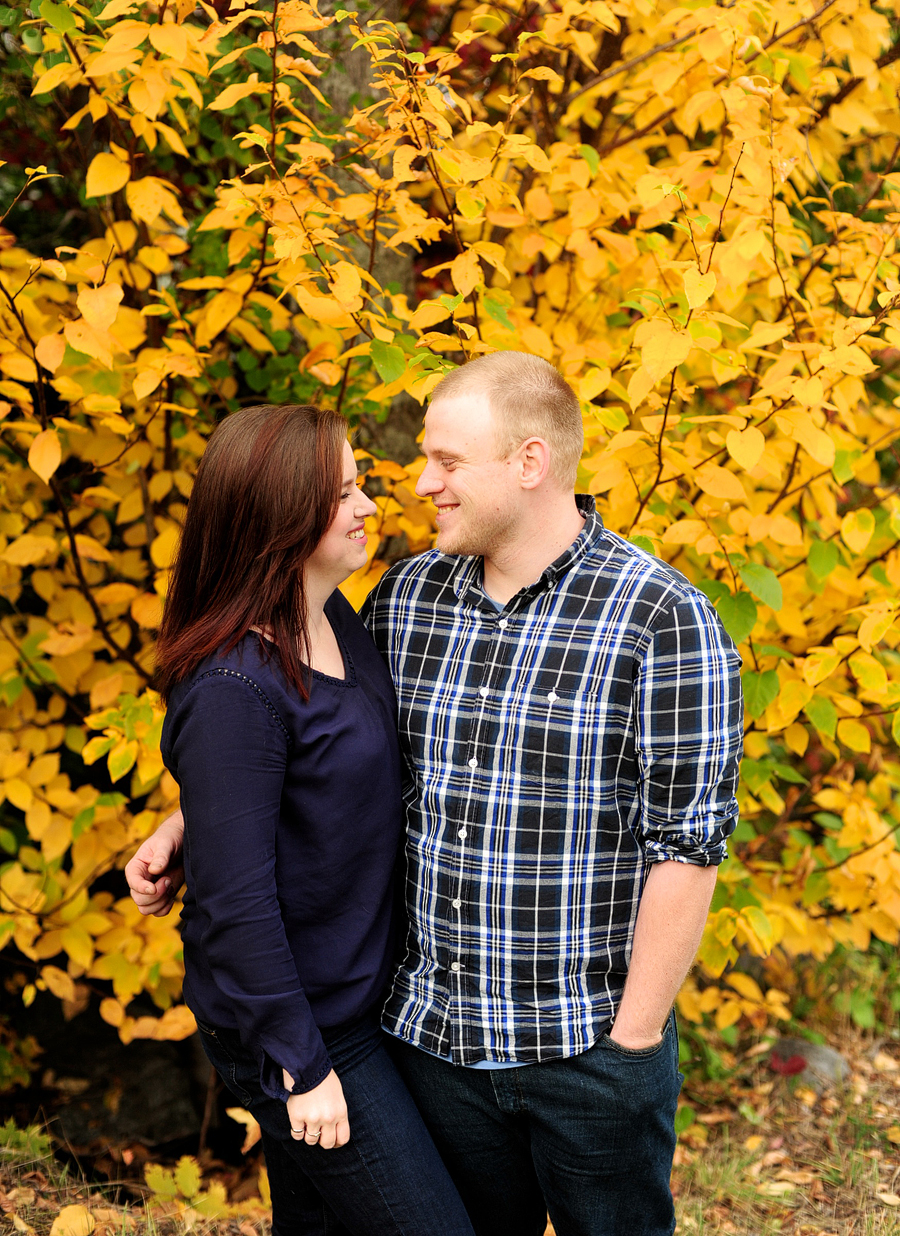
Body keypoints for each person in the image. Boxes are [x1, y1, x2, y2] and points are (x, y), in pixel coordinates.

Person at [128, 355, 743, 1236]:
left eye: (447, 463)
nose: (421, 486)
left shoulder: (661, 620)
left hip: (584, 1047)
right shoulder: (408, 600)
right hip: (427, 1037)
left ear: (528, 464)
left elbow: (688, 844)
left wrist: (632, 1041)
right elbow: (309, 747)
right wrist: (195, 822)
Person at [149, 402, 475, 1236]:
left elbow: (319, 785)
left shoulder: (329, 618)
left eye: (360, 484)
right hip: (299, 1022)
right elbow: (235, 905)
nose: (369, 506)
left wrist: (194, 826)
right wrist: (302, 1066)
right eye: (344, 493)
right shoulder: (236, 687)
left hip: (361, 997)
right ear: (281, 520)